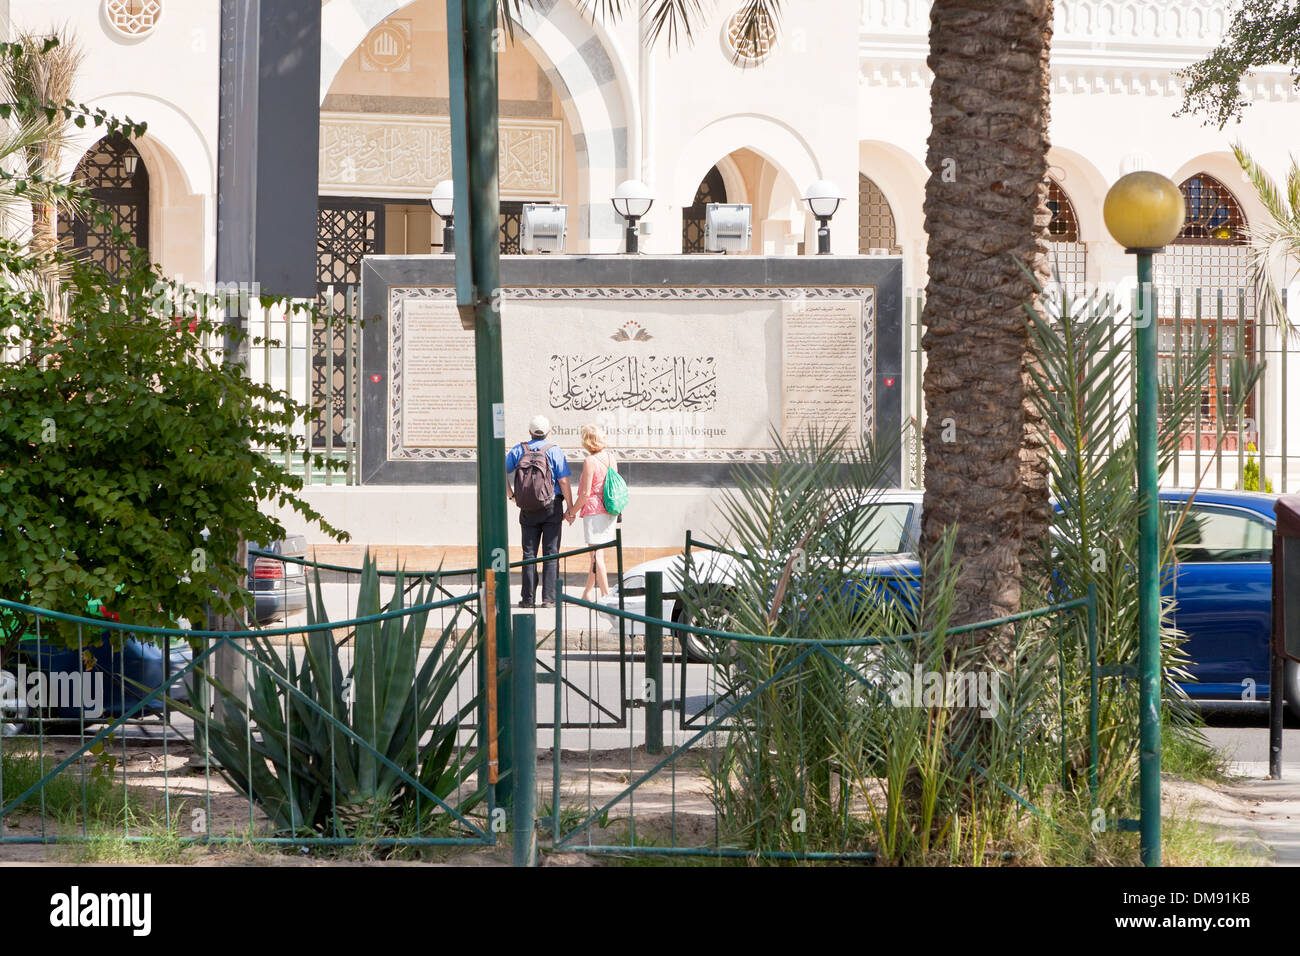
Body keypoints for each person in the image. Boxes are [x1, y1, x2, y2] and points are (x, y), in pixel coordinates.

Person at [506, 414, 574, 608]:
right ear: (548, 432)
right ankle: (548, 599)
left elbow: (500, 470)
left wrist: (512, 495)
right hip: (551, 507)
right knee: (551, 552)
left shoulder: (519, 450)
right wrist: (570, 507)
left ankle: (527, 599)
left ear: (529, 432)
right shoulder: (554, 451)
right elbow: (563, 481)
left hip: (527, 509)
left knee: (529, 554)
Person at [565, 424, 618, 602]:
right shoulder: (611, 457)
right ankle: (587, 592)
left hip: (594, 512)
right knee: (596, 555)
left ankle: (605, 596)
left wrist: (572, 511)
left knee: (597, 556)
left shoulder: (590, 461)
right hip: (609, 510)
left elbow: (585, 493)